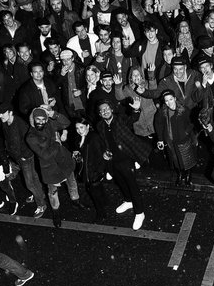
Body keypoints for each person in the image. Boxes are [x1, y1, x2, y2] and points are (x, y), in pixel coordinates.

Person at [94, 101, 152, 230]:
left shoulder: (120, 119)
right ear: (99, 114)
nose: (105, 112)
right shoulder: (100, 126)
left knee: (132, 185)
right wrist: (104, 153)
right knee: (120, 182)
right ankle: (128, 201)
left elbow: (132, 118)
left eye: (107, 109)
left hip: (126, 158)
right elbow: (103, 143)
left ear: (111, 109)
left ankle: (140, 212)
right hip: (113, 160)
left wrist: (136, 110)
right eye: (102, 110)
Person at [25, 106, 81, 223]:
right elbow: (45, 155)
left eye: (43, 119)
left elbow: (66, 123)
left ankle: (76, 200)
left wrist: (53, 114)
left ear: (46, 119)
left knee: (72, 182)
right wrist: (56, 143)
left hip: (63, 160)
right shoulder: (31, 136)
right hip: (49, 168)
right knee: (53, 193)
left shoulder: (50, 124)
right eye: (37, 119)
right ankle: (56, 213)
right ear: (33, 119)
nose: (40, 122)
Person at [0, 104, 47, 217]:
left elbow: (29, 140)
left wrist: (23, 156)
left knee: (30, 184)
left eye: (2, 113)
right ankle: (40, 194)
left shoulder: (20, 124)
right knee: (34, 178)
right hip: (17, 157)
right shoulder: (5, 123)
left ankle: (41, 204)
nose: (0, 116)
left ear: (10, 112)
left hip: (25, 157)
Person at [155, 90, 198, 186]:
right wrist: (160, 139)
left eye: (170, 99)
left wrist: (186, 132)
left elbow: (191, 122)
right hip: (170, 141)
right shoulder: (162, 112)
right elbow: (159, 125)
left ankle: (188, 175)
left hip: (183, 139)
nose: (169, 103)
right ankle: (180, 174)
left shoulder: (183, 109)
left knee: (187, 159)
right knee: (175, 159)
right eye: (166, 101)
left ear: (174, 98)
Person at [72, 117, 110, 222]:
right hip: (86, 171)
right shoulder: (79, 138)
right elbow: (81, 153)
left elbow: (100, 157)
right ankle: (105, 202)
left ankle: (101, 214)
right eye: (77, 128)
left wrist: (99, 173)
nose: (79, 130)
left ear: (88, 126)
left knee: (95, 193)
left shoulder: (94, 138)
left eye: (81, 127)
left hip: (93, 172)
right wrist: (76, 155)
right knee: (97, 191)